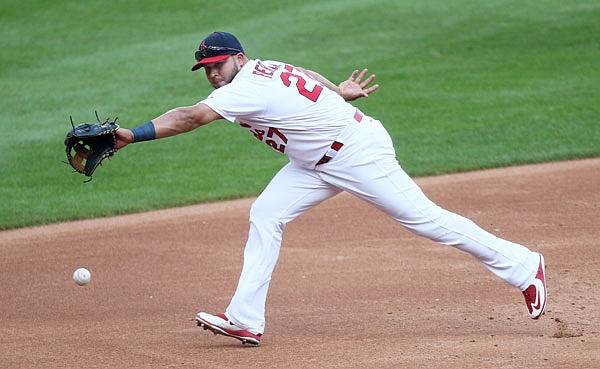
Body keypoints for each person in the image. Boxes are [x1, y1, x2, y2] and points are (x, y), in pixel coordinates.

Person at [115, 31, 547, 345]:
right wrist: (335, 92)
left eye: (217, 65)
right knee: (266, 214)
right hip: (313, 163)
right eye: (206, 69)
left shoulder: (244, 87)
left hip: (358, 153)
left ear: (238, 58)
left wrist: (133, 135)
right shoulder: (264, 67)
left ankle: (524, 265)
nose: (212, 75)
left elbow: (190, 117)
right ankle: (245, 318)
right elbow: (304, 73)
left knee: (426, 221)